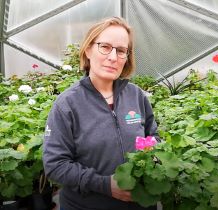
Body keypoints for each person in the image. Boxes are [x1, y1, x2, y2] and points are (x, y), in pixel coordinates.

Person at [43, 17, 159, 210]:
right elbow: (55, 165)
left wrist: (153, 157)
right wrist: (105, 185)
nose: (113, 57)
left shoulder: (136, 96)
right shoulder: (68, 104)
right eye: (105, 47)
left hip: (140, 203)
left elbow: (153, 137)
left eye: (121, 50)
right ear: (88, 50)